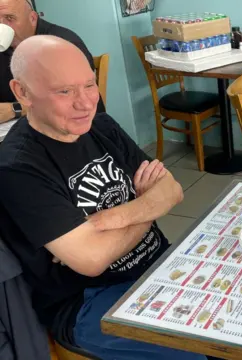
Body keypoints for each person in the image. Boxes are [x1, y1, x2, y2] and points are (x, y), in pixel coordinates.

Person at [0, 35, 208, 360]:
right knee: (195, 348)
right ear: (22, 92)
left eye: (89, 85)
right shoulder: (17, 167)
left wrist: (108, 220)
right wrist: (147, 205)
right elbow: (92, 261)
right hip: (88, 301)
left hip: (160, 264)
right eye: (64, 91)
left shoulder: (102, 125)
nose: (85, 103)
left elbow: (172, 190)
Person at [0, 0, 105, 123]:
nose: (2, 25)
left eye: (10, 18)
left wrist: (14, 109)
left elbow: (73, 100)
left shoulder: (62, 44)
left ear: (33, 18)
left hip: (76, 128)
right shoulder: (6, 46)